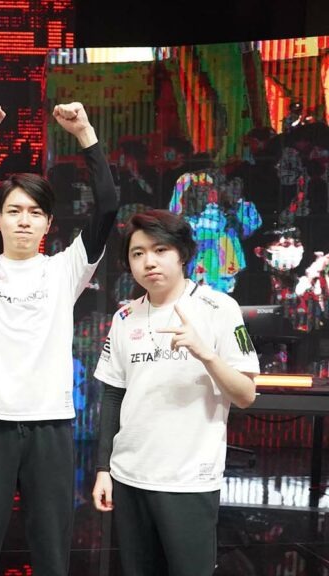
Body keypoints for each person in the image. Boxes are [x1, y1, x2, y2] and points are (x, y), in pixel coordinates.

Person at [0, 102, 117, 575]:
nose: (24, 220)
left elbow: (107, 206)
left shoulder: (66, 269)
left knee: (52, 555)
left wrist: (85, 132)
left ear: (48, 224)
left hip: (49, 426)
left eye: (35, 212)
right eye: (14, 211)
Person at [92, 209, 259, 576]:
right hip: (129, 476)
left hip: (188, 479)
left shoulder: (218, 308)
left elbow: (246, 394)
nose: (149, 262)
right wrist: (104, 469)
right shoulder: (124, 318)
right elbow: (112, 396)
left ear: (182, 254)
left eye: (160, 250)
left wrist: (206, 354)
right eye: (137, 253)